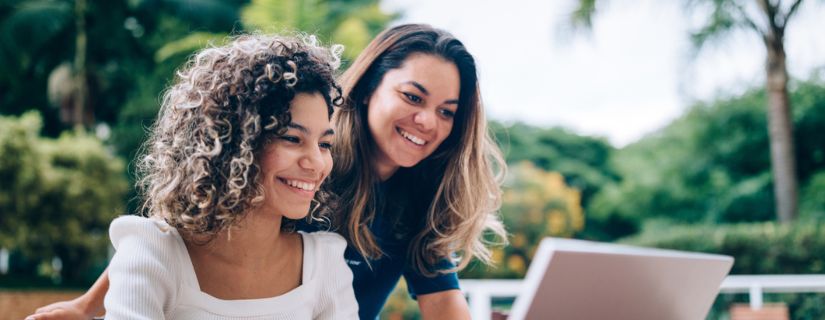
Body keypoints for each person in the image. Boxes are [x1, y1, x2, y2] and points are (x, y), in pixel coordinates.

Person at [28, 24, 506, 320]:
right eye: (412, 97)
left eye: (448, 111)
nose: (428, 121)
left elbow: (444, 304)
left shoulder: (422, 199)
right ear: (366, 90)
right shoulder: (305, 170)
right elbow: (175, 236)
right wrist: (88, 304)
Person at [49, 33, 357, 319]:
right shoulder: (154, 254)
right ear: (233, 143)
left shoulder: (325, 265)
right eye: (292, 138)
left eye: (325, 144)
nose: (317, 162)